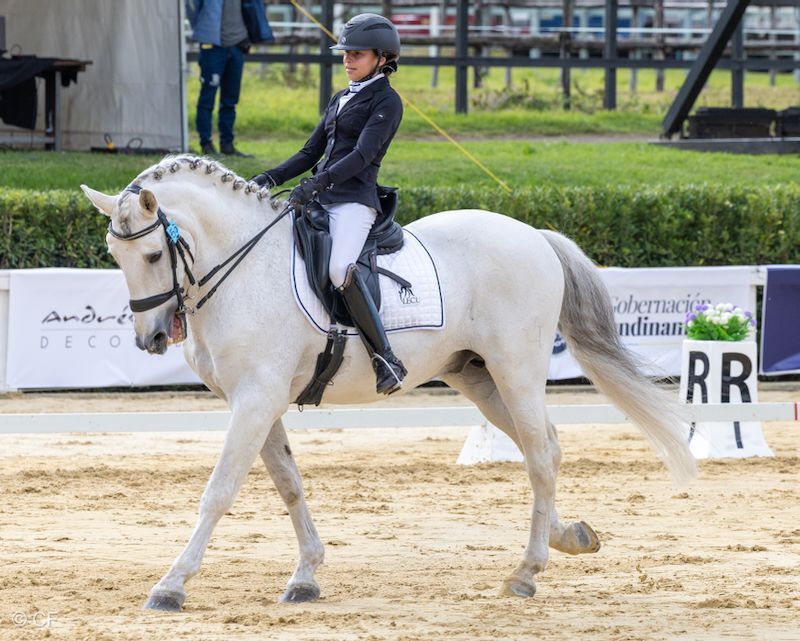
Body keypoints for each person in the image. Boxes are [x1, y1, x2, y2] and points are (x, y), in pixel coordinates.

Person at [252, 13, 405, 395]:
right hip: (322, 195)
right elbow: (311, 151)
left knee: (340, 269)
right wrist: (270, 178)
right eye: (345, 53)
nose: (347, 60)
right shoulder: (341, 98)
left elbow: (362, 155)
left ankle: (385, 356)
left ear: (382, 58)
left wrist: (317, 184)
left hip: (354, 201)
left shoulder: (387, 101)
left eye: (357, 54)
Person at [185, 0, 273, 156]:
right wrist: (204, 31)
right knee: (207, 98)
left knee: (230, 100)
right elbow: (192, 9)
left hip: (237, 46)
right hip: (212, 47)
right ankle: (206, 144)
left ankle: (227, 145)